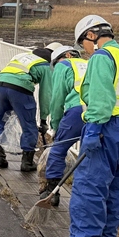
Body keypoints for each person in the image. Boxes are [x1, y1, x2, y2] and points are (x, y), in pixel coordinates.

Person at [49, 16, 119, 237]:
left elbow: (100, 100)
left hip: (106, 128)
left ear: (91, 35)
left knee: (90, 186)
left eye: (83, 44)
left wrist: (91, 130)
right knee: (116, 190)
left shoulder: (102, 57)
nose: (84, 51)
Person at [0, 46, 53, 172]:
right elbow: (46, 94)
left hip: (2, 85)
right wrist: (43, 119)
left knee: (2, 121)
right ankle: (27, 163)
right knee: (29, 125)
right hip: (20, 89)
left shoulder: (22, 56)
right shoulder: (46, 65)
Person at [41, 44, 88, 206]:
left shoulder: (64, 64)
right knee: (90, 153)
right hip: (98, 112)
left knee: (58, 150)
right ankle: (85, 195)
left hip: (77, 110)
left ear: (66, 55)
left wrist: (55, 125)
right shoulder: (90, 63)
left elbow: (57, 99)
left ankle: (52, 191)